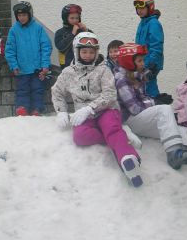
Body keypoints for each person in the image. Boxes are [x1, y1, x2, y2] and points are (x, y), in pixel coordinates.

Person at [52, 32, 143, 188]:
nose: (88, 55)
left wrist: (90, 108)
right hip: (82, 115)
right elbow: (57, 92)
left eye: (92, 52)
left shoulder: (103, 70)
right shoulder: (68, 73)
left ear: (96, 52)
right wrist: (61, 111)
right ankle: (120, 135)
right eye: (84, 51)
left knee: (111, 129)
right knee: (80, 137)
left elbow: (110, 94)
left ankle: (128, 158)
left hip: (105, 109)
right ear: (77, 51)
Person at [113, 43, 187, 169]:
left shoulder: (135, 76)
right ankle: (174, 153)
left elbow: (142, 100)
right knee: (164, 109)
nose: (143, 63)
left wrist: (153, 100)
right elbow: (135, 109)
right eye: (139, 60)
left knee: (174, 127)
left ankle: (185, 152)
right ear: (128, 62)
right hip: (130, 120)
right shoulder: (122, 80)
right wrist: (156, 102)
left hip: (139, 119)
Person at [5, 1, 52, 116]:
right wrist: (14, 65)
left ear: (30, 14)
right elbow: (10, 50)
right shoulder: (14, 30)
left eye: (24, 15)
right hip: (22, 69)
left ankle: (37, 108)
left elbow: (46, 47)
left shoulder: (38, 28)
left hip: (37, 69)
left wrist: (45, 65)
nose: (21, 18)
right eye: (19, 15)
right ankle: (22, 107)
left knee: (37, 89)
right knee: (22, 90)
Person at [134, 0, 164, 99]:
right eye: (137, 8)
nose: (139, 11)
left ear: (150, 7)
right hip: (143, 62)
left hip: (151, 63)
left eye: (142, 8)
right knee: (143, 87)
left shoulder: (154, 23)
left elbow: (156, 47)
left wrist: (150, 65)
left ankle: (155, 105)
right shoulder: (143, 22)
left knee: (149, 86)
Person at [54, 4, 89, 69]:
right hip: (67, 66)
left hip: (82, 65)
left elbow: (93, 43)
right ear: (65, 18)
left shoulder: (81, 31)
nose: (75, 20)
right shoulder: (60, 32)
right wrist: (72, 34)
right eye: (72, 18)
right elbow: (61, 47)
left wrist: (86, 30)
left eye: (77, 18)